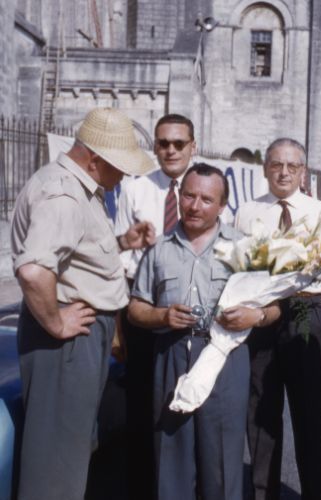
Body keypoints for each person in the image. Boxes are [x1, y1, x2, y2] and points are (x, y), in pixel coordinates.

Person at [11, 107, 155, 500]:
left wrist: (123, 242)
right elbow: (34, 271)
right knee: (57, 460)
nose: (124, 175)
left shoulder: (77, 187)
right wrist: (56, 322)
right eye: (120, 166)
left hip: (77, 338)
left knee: (69, 449)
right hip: (67, 342)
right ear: (94, 159)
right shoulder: (64, 195)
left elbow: (75, 253)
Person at [128, 163, 281, 500]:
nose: (195, 206)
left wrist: (255, 315)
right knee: (171, 458)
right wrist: (161, 315)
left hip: (224, 357)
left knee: (221, 462)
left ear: (222, 206)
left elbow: (274, 308)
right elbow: (136, 308)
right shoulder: (159, 250)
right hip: (172, 356)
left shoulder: (245, 248)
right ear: (179, 197)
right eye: (189, 196)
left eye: (206, 200)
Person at [234, 138, 321, 500]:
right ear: (265, 168)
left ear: (302, 172)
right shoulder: (247, 212)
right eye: (276, 165)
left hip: (304, 316)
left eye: (292, 166)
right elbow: (237, 267)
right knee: (261, 423)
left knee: (310, 423)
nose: (283, 173)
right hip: (260, 320)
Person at [114, 113, 196, 499]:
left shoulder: (206, 187)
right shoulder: (135, 190)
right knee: (142, 404)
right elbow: (120, 261)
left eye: (179, 143)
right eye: (163, 143)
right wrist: (118, 328)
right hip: (143, 307)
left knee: (190, 402)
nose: (171, 150)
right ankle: (143, 489)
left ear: (193, 147)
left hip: (191, 308)